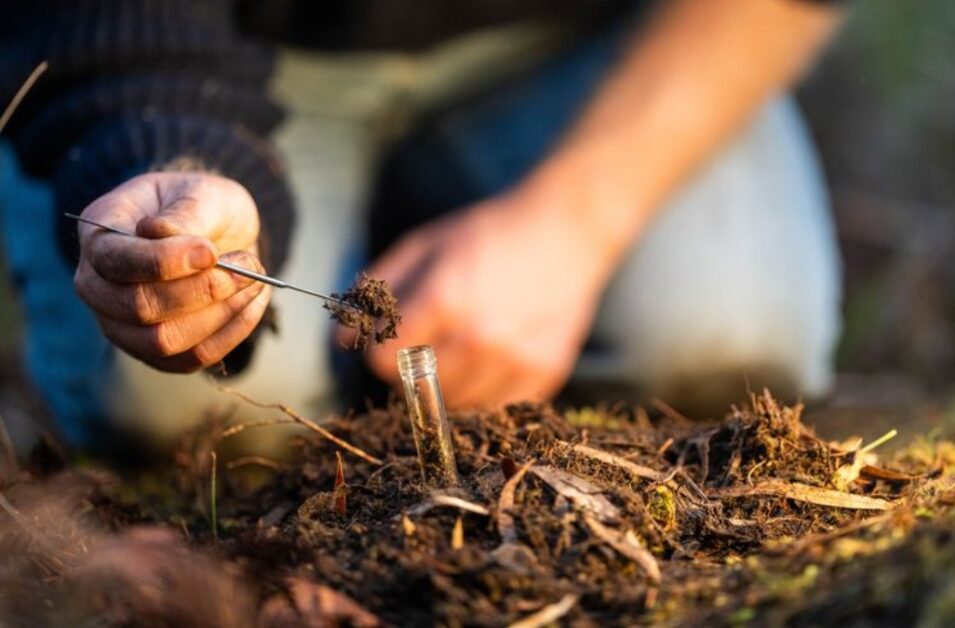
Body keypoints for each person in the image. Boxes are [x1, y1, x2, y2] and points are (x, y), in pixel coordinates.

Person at [0, 0, 844, 452]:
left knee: (722, 337)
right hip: (231, 58)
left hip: (579, 43)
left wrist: (571, 227)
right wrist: (175, 159)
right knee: (193, 416)